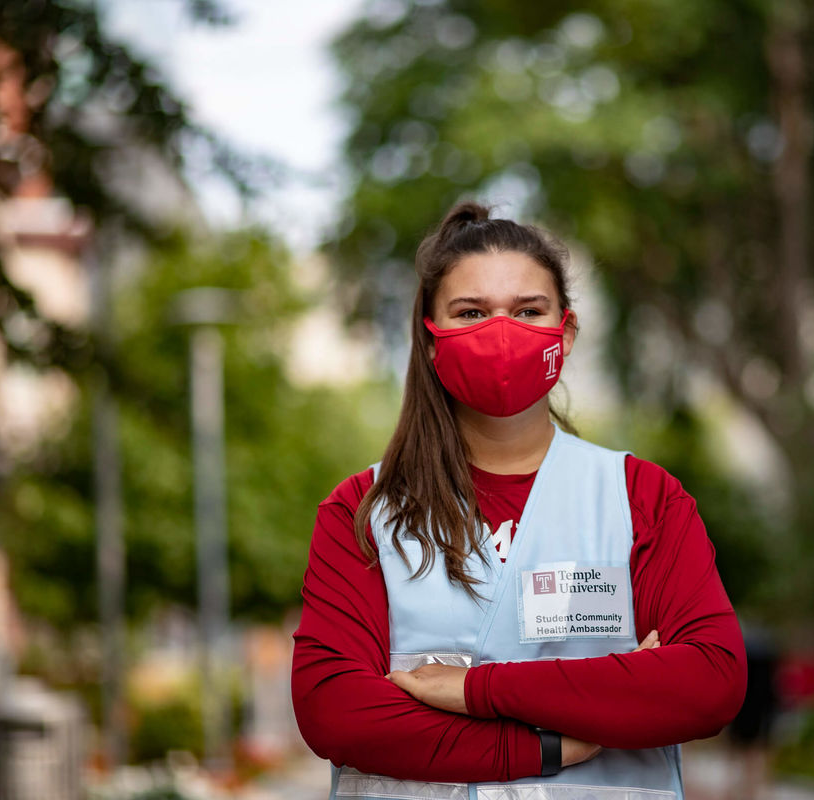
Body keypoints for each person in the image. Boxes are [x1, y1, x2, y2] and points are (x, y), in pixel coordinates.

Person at [291, 201, 747, 799]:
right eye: (471, 312)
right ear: (430, 339)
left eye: (529, 311)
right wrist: (549, 741)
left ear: (567, 331)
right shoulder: (365, 512)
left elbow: (708, 683)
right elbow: (335, 710)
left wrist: (472, 690)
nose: (501, 332)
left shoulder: (642, 499)